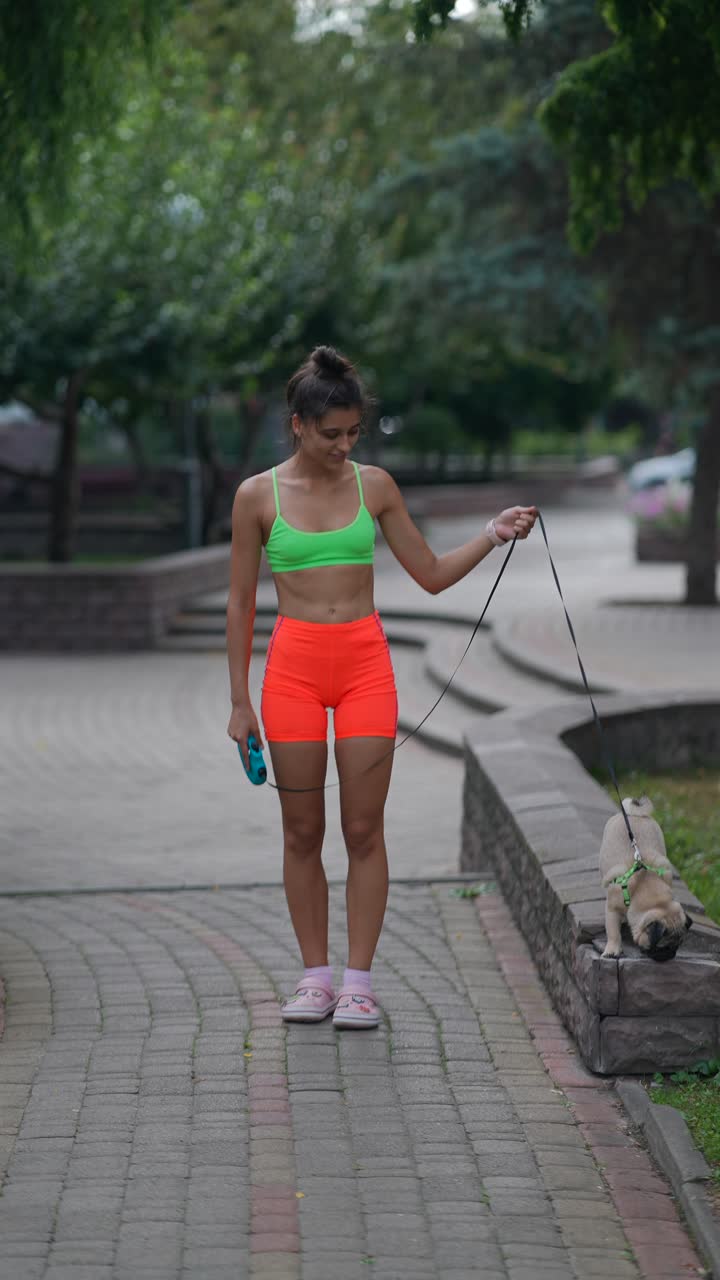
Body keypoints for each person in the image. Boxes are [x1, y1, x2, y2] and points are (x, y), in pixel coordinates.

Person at [226, 345, 537, 1029]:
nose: (345, 446)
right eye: (331, 433)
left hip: (365, 665)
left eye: (354, 433)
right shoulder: (257, 497)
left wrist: (492, 534)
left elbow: (428, 573)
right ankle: (315, 976)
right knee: (301, 831)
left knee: (364, 828)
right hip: (293, 674)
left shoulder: (376, 488)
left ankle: (359, 982)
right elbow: (242, 605)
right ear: (299, 425)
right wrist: (239, 701)